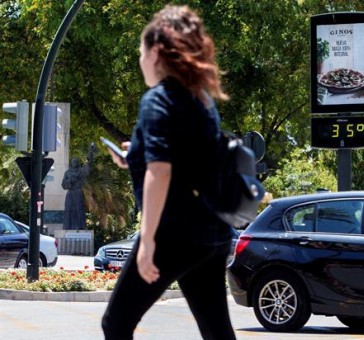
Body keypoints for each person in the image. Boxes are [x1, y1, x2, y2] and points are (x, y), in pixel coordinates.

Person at [101, 5, 235, 339]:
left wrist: (147, 240)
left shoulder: (157, 99)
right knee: (216, 329)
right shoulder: (202, 99)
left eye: (141, 52)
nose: (140, 60)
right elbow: (185, 159)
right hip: (213, 232)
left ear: (156, 52)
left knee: (116, 323)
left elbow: (161, 171)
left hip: (173, 233)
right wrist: (135, 157)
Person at [61, 143, 96, 230]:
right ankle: (67, 226)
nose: (75, 162)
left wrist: (90, 154)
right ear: (71, 163)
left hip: (78, 192)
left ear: (78, 163)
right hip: (70, 192)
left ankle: (80, 226)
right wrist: (70, 180)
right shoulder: (67, 172)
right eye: (73, 161)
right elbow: (63, 185)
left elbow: (88, 167)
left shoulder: (81, 171)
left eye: (76, 161)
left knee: (78, 209)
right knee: (68, 208)